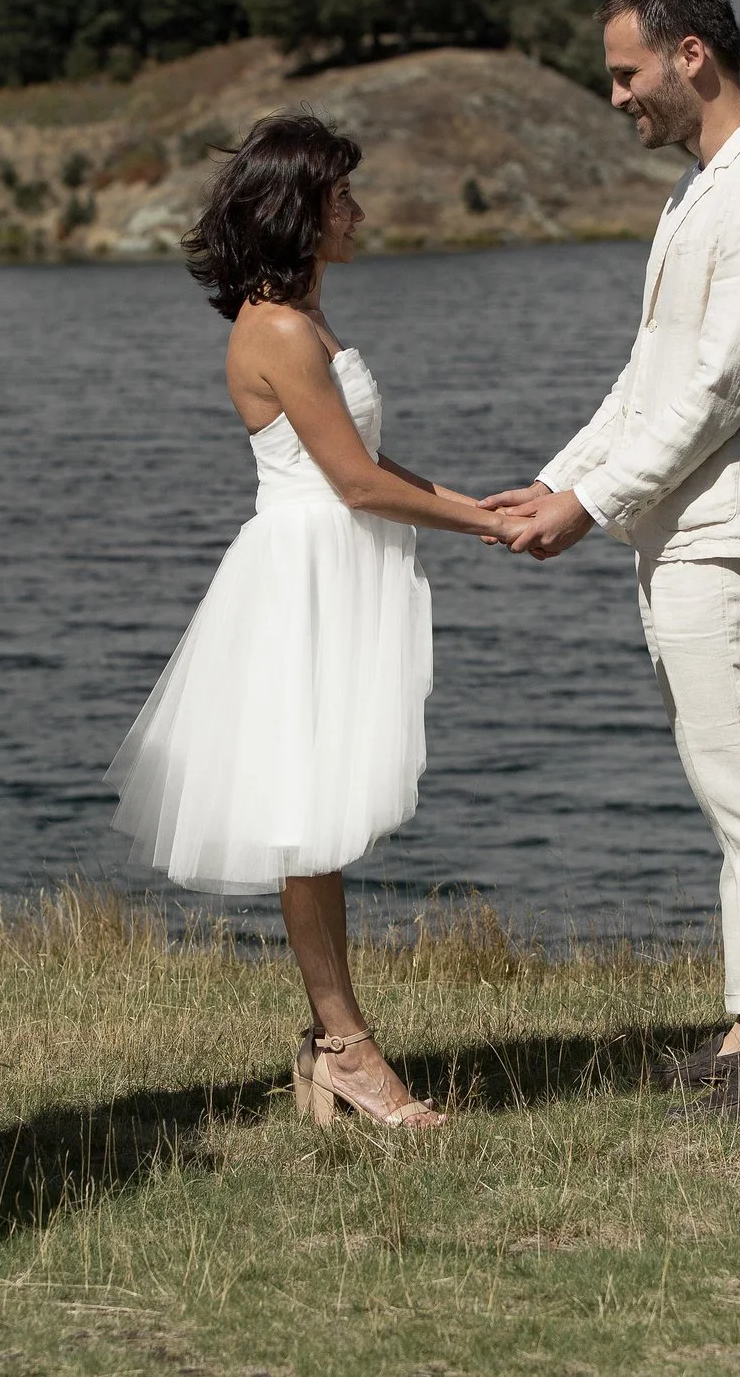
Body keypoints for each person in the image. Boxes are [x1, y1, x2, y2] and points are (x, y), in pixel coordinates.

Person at [106, 112, 518, 1128]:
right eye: (344, 197)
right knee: (307, 816)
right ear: (299, 210)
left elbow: (368, 466)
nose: (361, 213)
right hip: (303, 578)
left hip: (329, 564)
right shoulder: (280, 330)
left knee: (320, 815)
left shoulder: (298, 319)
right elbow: (351, 482)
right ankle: (342, 1045)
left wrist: (482, 502)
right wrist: (479, 521)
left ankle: (335, 1043)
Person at [485, 0, 740, 1119]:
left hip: (725, 535)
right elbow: (651, 375)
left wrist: (588, 503)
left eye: (627, 71)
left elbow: (722, 387)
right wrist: (560, 475)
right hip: (684, 531)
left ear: (693, 55)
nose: (618, 96)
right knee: (727, 783)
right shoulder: (707, 188)